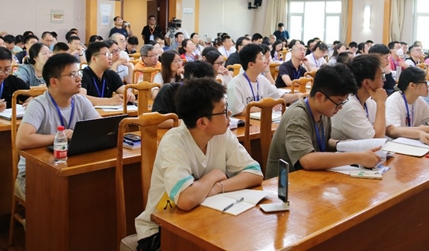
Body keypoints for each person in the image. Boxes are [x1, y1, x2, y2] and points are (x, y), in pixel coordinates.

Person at [135, 78, 263, 248]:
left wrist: (218, 187)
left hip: (205, 219)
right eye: (224, 111)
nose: (230, 114)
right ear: (202, 122)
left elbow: (255, 173)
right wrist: (213, 176)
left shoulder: (222, 134)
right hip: (160, 229)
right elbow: (186, 200)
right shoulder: (174, 142)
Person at [266, 64, 384, 179]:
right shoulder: (298, 116)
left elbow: (322, 142)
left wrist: (348, 146)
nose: (340, 107)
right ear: (320, 97)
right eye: (338, 102)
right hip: (285, 183)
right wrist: (357, 157)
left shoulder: (323, 112)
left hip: (311, 177)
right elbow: (307, 160)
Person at [15, 53, 101, 199]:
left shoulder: (81, 101)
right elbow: (22, 140)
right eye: (72, 75)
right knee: (69, 195)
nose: (79, 79)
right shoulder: (38, 104)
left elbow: (100, 128)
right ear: (54, 82)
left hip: (69, 165)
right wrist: (60, 136)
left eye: (78, 73)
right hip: (35, 172)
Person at [227, 44, 302, 116]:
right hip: (245, 122)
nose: (265, 61)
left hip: (262, 120)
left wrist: (297, 95)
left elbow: (280, 97)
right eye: (261, 58)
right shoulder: (236, 84)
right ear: (251, 65)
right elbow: (238, 112)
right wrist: (266, 107)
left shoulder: (262, 79)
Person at [331, 55, 388, 141]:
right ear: (366, 83)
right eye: (381, 76)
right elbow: (376, 140)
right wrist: (381, 103)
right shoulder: (349, 106)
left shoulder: (368, 100)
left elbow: (384, 127)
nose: (384, 80)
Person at [385, 67, 429, 143]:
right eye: (425, 82)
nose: (428, 86)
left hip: (411, 142)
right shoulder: (394, 101)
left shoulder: (418, 100)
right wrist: (427, 129)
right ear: (412, 85)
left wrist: (421, 128)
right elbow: (392, 131)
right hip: (394, 144)